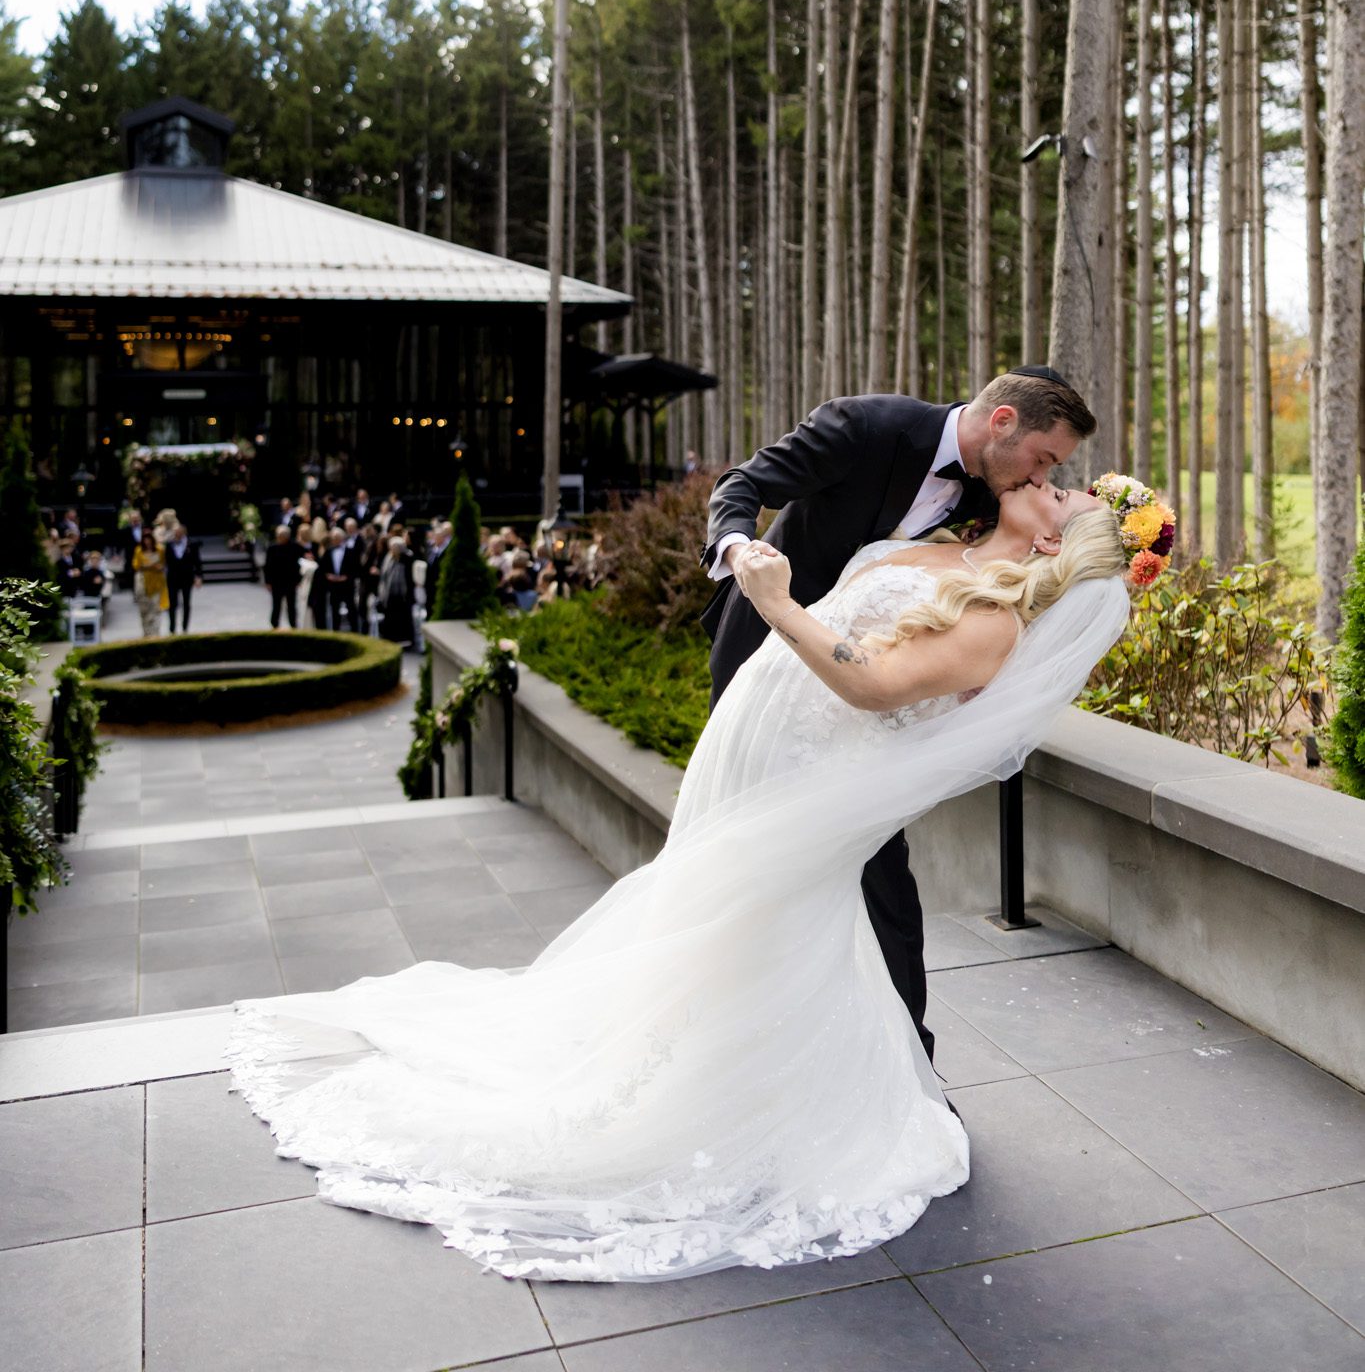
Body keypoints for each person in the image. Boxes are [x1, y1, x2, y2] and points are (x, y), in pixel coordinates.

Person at [226, 468, 1132, 1281]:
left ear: (1052, 539)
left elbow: (873, 687)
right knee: (721, 912)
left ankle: (713, 1097)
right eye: (1055, 476)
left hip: (821, 781)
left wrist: (779, 605)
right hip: (771, 740)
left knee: (749, 921)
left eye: (1063, 493)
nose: (1051, 480)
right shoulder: (945, 553)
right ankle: (692, 1059)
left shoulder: (992, 622)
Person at [699, 367, 1096, 1067]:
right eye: (1044, 459)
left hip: (855, 716)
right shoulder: (867, 426)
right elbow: (743, 487)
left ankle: (904, 1060)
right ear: (1001, 422)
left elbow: (987, 587)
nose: (1042, 476)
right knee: (746, 866)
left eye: (1051, 473)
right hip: (765, 667)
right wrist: (742, 555)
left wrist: (984, 673)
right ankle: (737, 1039)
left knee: (875, 882)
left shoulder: (998, 492)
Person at [375, 527, 415, 645]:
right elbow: (384, 576)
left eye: (395, 548)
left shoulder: (407, 558)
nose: (392, 550)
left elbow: (409, 578)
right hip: (389, 593)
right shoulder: (388, 558)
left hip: (403, 595)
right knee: (390, 619)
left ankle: (405, 639)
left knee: (403, 619)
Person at [312, 527, 356, 631]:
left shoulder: (350, 551)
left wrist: (346, 577)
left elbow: (354, 567)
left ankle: (355, 631)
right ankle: (336, 631)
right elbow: (323, 568)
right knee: (334, 610)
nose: (335, 540)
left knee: (351, 609)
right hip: (334, 586)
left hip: (347, 585)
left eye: (337, 538)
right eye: (333, 538)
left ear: (342, 538)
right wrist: (329, 576)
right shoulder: (329, 551)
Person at [164, 524, 203, 632]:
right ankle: (172, 628)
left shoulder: (191, 544)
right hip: (172, 578)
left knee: (186, 603)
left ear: (184, 532)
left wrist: (198, 576)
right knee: (172, 604)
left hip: (187, 578)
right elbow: (166, 561)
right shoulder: (169, 544)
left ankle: (185, 627)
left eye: (180, 532)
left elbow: (197, 562)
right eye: (176, 532)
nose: (177, 534)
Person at [264, 525, 302, 628]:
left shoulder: (294, 547)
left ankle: (293, 625)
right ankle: (274, 625)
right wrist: (268, 582)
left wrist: (298, 580)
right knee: (276, 606)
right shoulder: (272, 548)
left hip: (290, 582)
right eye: (279, 536)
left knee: (291, 606)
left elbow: (298, 564)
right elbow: (267, 566)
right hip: (276, 582)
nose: (281, 538)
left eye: (283, 536)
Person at [132, 528, 168, 636]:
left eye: (149, 539)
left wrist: (159, 567)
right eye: (145, 539)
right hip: (143, 581)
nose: (147, 542)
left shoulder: (159, 549)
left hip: (156, 581)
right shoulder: (139, 550)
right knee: (144, 610)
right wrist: (146, 566)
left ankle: (155, 632)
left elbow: (164, 564)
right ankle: (146, 632)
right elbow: (136, 565)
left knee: (156, 608)